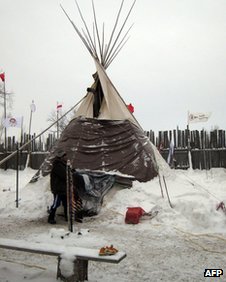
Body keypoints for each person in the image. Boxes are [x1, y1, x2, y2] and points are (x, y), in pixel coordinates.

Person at [48, 149, 68, 224]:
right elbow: (64, 175)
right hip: (58, 188)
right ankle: (51, 217)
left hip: (63, 188)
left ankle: (67, 217)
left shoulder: (63, 164)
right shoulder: (57, 165)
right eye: (64, 156)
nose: (66, 157)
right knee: (56, 203)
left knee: (66, 203)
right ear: (61, 157)